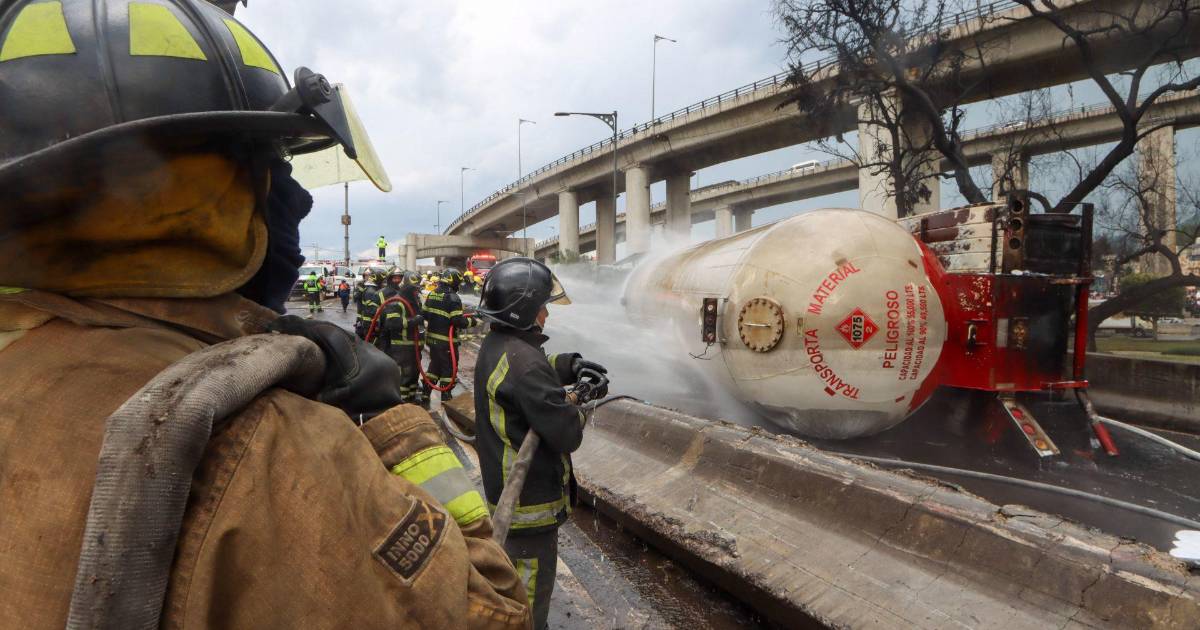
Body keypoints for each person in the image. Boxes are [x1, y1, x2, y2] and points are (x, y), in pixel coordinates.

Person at [0, 1, 529, 627]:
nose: (295, 199)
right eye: (274, 166)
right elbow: (493, 610)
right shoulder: (271, 446)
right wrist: (394, 425)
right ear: (205, 194)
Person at [473, 258, 608, 630]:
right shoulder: (525, 366)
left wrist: (571, 364)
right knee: (528, 604)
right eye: (542, 307)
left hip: (505, 496)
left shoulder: (499, 345)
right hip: (528, 504)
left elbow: (534, 366)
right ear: (524, 312)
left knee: (512, 588)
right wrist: (585, 395)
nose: (547, 314)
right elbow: (567, 433)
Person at [422, 268, 478, 402]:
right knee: (449, 368)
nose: (458, 286)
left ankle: (425, 393)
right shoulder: (453, 297)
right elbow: (457, 321)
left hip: (432, 340)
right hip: (446, 341)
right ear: (453, 282)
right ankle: (446, 396)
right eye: (457, 283)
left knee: (435, 365)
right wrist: (472, 321)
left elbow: (425, 314)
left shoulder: (432, 294)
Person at [380, 267, 424, 404]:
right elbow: (391, 323)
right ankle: (402, 401)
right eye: (414, 289)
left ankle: (410, 397)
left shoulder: (415, 299)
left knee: (413, 374)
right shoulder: (396, 302)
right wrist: (413, 321)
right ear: (406, 287)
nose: (417, 291)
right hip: (402, 346)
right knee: (405, 375)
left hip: (414, 345)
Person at [355, 270, 382, 339]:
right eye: (366, 275)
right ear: (364, 276)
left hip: (365, 314)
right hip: (361, 314)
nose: (368, 277)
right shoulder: (361, 285)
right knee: (360, 333)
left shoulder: (373, 287)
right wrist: (361, 289)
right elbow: (355, 298)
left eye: (369, 275)